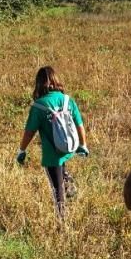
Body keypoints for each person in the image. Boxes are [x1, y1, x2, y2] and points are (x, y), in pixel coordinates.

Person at [15, 66, 89, 219]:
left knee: (57, 189)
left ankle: (62, 220)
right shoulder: (68, 100)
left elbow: (29, 132)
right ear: (56, 80)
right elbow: (79, 124)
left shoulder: (39, 106)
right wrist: (83, 145)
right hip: (68, 148)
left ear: (38, 83)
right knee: (62, 168)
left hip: (51, 156)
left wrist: (22, 150)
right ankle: (68, 182)